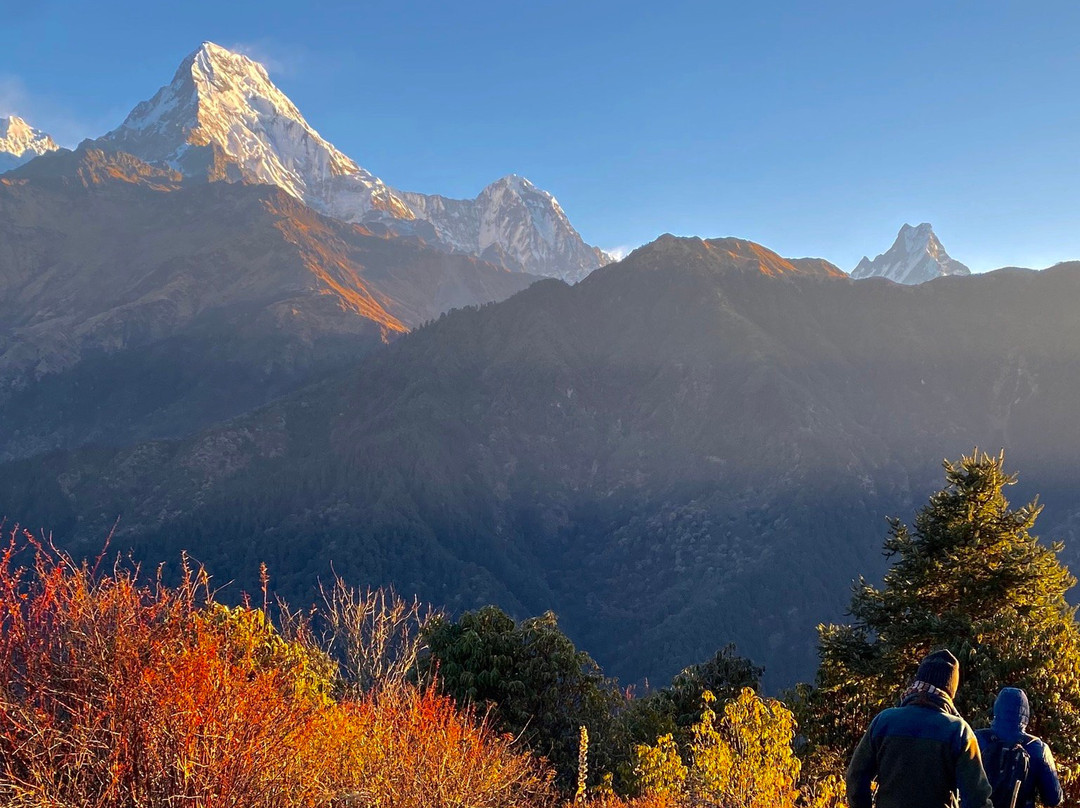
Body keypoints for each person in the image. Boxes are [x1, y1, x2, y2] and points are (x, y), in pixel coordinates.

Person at [847, 649, 993, 808]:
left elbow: (855, 776)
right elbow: (976, 798)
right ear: (950, 691)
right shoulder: (958, 731)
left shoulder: (884, 721)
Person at [975, 687, 1062, 808]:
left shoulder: (976, 739)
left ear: (997, 708)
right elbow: (1053, 798)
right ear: (1026, 713)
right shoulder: (1038, 748)